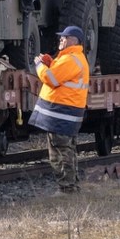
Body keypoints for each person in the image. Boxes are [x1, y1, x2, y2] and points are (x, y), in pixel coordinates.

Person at [28, 25, 90, 194]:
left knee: (60, 153)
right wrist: (50, 62)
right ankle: (71, 186)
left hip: (61, 113)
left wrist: (40, 66)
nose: (61, 39)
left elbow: (51, 78)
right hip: (67, 113)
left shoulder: (71, 59)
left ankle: (66, 189)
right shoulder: (74, 58)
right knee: (68, 150)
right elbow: (60, 75)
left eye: (64, 37)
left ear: (73, 41)